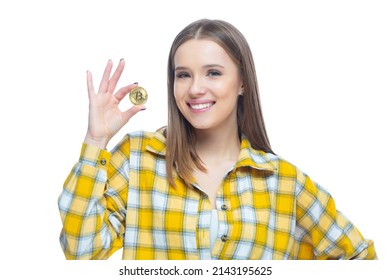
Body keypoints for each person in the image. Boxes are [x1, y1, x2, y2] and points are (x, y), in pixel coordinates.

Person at [58, 19, 377, 260]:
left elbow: (359, 260)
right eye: (183, 75)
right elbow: (82, 251)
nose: (195, 88)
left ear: (242, 83)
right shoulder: (138, 156)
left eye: (213, 73)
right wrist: (95, 141)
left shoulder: (283, 182)